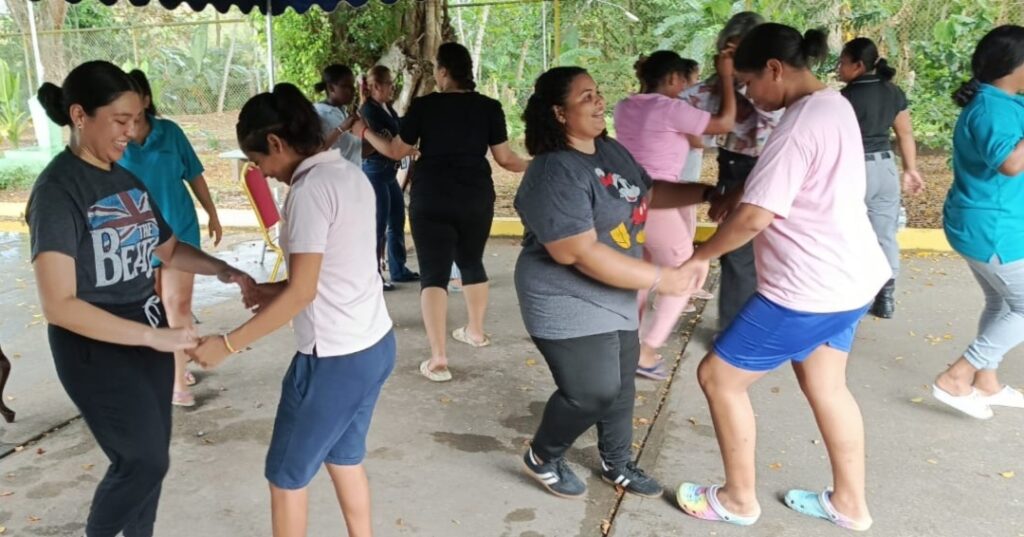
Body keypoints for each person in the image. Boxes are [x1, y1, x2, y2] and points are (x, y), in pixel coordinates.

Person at [673, 25, 889, 531]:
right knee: (827, 387)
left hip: (806, 289)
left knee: (718, 379)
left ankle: (737, 499)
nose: (748, 95)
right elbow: (798, 179)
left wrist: (698, 257)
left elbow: (754, 219)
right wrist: (744, 188)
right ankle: (850, 504)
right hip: (852, 279)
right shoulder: (832, 104)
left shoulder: (795, 126)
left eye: (748, 82)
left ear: (774, 69)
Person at [27, 60, 252, 537]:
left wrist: (225, 269)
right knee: (140, 460)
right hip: (94, 347)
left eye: (135, 120)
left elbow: (168, 249)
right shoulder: (57, 191)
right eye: (120, 121)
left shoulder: (125, 180)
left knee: (155, 460)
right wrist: (154, 336)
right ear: (80, 115)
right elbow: (59, 304)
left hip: (145, 337)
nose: (131, 132)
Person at [189, 83, 395, 537]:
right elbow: (335, 268)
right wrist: (272, 291)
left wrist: (227, 344)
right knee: (345, 459)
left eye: (260, 161)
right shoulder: (348, 174)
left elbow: (303, 294)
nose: (262, 173)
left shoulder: (308, 191)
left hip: (332, 362)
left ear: (277, 144)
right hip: (374, 346)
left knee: (285, 478)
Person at [514, 66, 724, 500]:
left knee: (622, 383)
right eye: (586, 96)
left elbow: (645, 193)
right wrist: (661, 278)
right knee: (591, 392)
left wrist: (706, 193)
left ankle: (617, 462)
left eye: (598, 92)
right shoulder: (554, 171)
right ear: (558, 112)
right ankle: (542, 454)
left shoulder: (608, 150)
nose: (599, 101)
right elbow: (576, 252)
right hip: (563, 295)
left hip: (615, 287)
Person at [354, 42, 528, 382]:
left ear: (444, 72)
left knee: (433, 273)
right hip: (476, 195)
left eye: (436, 68)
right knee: (471, 261)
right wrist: (538, 164)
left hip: (432, 196)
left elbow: (393, 150)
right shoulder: (488, 107)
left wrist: (362, 131)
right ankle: (475, 332)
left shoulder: (424, 107)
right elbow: (506, 159)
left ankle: (438, 358)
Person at [615, 50, 737, 380]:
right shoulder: (669, 108)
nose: (688, 87)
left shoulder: (626, 105)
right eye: (686, 81)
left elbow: (695, 141)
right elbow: (725, 124)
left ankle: (629, 344)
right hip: (657, 203)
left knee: (642, 274)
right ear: (672, 79)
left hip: (625, 199)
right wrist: (725, 75)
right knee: (687, 272)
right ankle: (647, 348)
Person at [932, 25, 1024, 420]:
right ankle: (958, 376)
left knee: (1000, 301)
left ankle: (985, 382)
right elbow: (1010, 163)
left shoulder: (1004, 102)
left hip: (989, 222)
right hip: (993, 229)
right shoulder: (991, 109)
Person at [118, 69, 223, 407]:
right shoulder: (114, 141)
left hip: (179, 231)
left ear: (146, 100)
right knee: (152, 308)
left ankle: (178, 382)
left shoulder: (170, 133)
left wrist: (213, 213)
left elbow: (194, 175)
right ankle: (170, 363)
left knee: (177, 304)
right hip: (134, 237)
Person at [681, 11, 783, 329]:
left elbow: (758, 124)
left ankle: (758, 326)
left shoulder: (770, 88)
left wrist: (729, 80)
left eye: (742, 52)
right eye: (729, 51)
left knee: (769, 249)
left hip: (769, 166)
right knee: (737, 254)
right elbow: (687, 112)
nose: (735, 60)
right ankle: (734, 330)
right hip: (734, 167)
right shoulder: (713, 88)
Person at [838, 37, 926, 319]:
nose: (839, 68)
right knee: (884, 233)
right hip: (885, 167)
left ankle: (852, 295)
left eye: (842, 62)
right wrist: (910, 169)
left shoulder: (845, 98)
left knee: (848, 231)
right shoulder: (893, 92)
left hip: (854, 170)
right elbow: (905, 133)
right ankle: (885, 296)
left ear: (858, 65)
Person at [359, 65, 420, 287]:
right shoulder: (369, 112)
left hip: (388, 172)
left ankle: (398, 268)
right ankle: (374, 275)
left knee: (396, 220)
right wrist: (406, 147)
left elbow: (397, 128)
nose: (392, 88)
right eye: (389, 84)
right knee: (378, 226)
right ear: (376, 86)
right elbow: (389, 138)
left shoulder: (385, 107)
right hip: (375, 170)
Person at [314, 64, 362, 167]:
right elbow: (316, 152)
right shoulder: (320, 115)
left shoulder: (342, 111)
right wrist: (341, 129)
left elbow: (356, 150)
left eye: (353, 86)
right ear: (331, 88)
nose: (353, 90)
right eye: (346, 86)